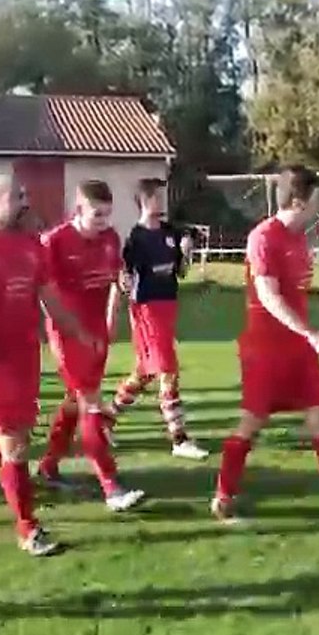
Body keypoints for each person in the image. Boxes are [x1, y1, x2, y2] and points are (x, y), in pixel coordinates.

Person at [211, 164, 319, 525]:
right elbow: (268, 296)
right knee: (250, 425)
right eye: (317, 200)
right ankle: (223, 496)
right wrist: (311, 333)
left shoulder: (301, 239)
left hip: (299, 350)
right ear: (299, 202)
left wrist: (306, 337)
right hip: (265, 351)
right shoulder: (263, 238)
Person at [0, 175, 94, 557]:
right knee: (14, 445)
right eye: (16, 196)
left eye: (24, 194)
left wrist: (78, 332)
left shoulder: (33, 245)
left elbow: (49, 296)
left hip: (24, 356)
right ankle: (28, 529)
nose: (24, 201)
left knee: (15, 439)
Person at [37, 180, 146, 512]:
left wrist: (113, 317)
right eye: (96, 215)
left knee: (75, 401)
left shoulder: (110, 238)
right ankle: (111, 487)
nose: (103, 222)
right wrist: (65, 335)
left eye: (107, 215)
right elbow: (46, 296)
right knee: (90, 405)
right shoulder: (53, 242)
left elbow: (116, 279)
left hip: (97, 331)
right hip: (69, 336)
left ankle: (47, 466)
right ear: (78, 209)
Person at [111, 177, 207, 460]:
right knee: (167, 369)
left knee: (145, 371)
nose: (162, 203)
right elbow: (124, 275)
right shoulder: (136, 238)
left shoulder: (171, 232)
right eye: (157, 198)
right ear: (145, 201)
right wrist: (123, 282)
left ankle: (105, 420)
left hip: (168, 304)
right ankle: (179, 438)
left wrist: (186, 253)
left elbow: (182, 272)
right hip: (146, 308)